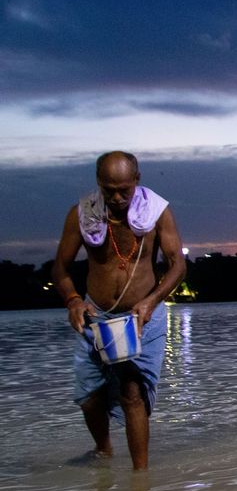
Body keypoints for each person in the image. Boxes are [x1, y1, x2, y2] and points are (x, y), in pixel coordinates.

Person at [51, 152, 186, 470]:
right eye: (108, 189)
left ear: (137, 180)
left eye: (123, 189)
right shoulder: (81, 214)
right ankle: (104, 451)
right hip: (95, 314)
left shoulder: (157, 212)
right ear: (98, 183)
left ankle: (140, 480)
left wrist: (152, 300)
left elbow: (178, 266)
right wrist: (72, 300)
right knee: (90, 397)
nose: (116, 197)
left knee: (132, 392)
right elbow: (60, 267)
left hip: (142, 317)